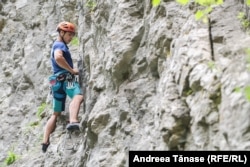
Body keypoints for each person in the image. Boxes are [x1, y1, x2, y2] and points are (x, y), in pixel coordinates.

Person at [42, 21, 84, 153]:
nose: (71, 37)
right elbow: (58, 57)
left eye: (72, 35)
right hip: (66, 78)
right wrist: (71, 70)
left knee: (56, 113)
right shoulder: (59, 44)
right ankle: (73, 121)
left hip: (55, 82)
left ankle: (45, 141)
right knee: (77, 96)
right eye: (69, 34)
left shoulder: (56, 44)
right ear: (61, 32)